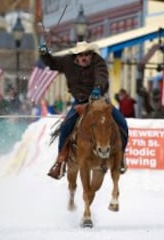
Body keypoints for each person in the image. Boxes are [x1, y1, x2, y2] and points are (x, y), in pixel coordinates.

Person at [39, 41, 129, 179]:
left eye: (87, 54)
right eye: (81, 55)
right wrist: (45, 55)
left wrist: (98, 88)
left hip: (99, 101)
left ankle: (121, 156)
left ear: (91, 54)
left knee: (121, 123)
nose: (84, 57)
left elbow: (102, 76)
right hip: (80, 102)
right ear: (76, 55)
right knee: (66, 126)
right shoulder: (67, 62)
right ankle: (60, 162)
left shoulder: (98, 62)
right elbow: (52, 63)